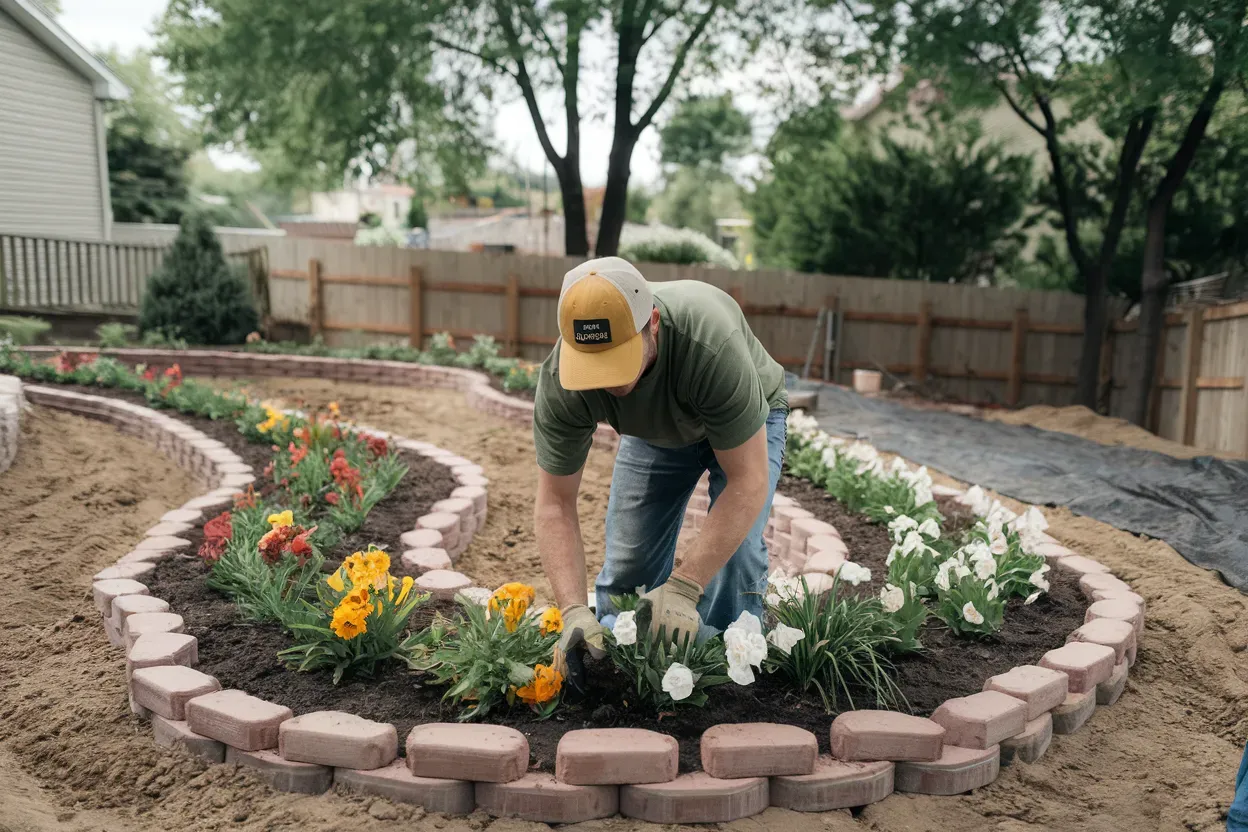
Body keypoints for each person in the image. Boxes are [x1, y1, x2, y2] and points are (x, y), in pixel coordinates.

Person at [532, 256, 788, 668]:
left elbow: (749, 480)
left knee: (735, 558)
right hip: (656, 432)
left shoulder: (709, 343)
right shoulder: (561, 381)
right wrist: (573, 610)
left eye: (617, 359)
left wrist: (686, 586)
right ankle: (619, 667)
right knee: (629, 563)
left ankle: (724, 668)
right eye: (593, 366)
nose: (606, 381)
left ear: (652, 322)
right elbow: (554, 503)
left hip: (746, 421)